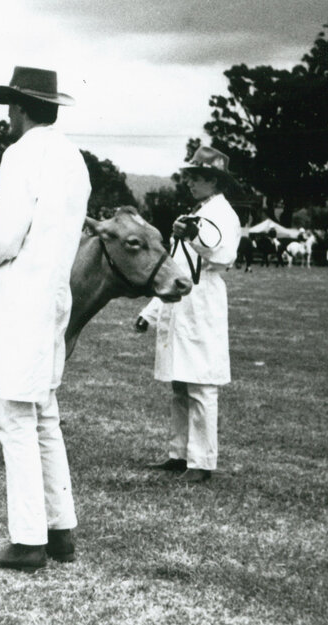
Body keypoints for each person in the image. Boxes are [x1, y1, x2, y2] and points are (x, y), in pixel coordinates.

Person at [0, 66, 91, 572]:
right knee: (44, 415)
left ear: (22, 107)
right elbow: (44, 216)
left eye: (11, 105)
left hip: (23, 299)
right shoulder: (71, 157)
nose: (8, 114)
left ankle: (27, 539)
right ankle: (61, 533)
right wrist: (1, 205)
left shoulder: (20, 153)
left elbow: (8, 237)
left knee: (14, 417)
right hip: (54, 296)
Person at [139, 146, 241, 483]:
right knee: (180, 386)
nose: (190, 183)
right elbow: (175, 267)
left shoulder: (224, 214)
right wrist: (151, 312)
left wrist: (194, 235)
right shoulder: (195, 212)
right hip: (181, 301)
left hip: (203, 302)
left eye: (196, 178)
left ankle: (202, 462)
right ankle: (178, 454)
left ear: (213, 180)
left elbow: (223, 254)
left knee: (201, 385)